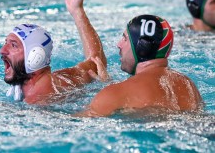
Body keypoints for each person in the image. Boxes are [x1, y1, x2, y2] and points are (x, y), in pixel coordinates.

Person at [0, 0, 106, 105]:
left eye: (13, 45)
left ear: (35, 57)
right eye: (6, 43)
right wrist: (77, 11)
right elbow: (97, 61)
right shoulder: (64, 78)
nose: (2, 50)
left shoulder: (39, 103)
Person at [75, 14, 203, 117]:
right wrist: (108, 84)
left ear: (142, 47)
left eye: (125, 39)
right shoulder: (189, 86)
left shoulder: (114, 94)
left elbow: (76, 125)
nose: (119, 44)